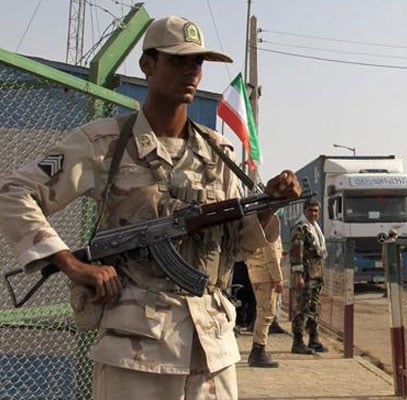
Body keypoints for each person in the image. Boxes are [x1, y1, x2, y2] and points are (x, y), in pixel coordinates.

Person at [0, 15, 301, 399]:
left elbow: (236, 247)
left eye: (198, 62)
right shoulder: (104, 143)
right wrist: (73, 265)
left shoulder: (217, 152)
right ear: (148, 65)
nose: (191, 71)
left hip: (211, 350)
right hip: (135, 352)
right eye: (178, 60)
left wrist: (269, 206)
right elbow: (14, 192)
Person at [289, 198, 328, 354]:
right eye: (311, 210)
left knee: (314, 307)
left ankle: (313, 338)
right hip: (305, 275)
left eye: (316, 210)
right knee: (302, 308)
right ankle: (297, 342)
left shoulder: (315, 228)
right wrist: (298, 275)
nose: (313, 213)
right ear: (304, 211)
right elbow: (296, 254)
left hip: (316, 276)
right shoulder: (300, 228)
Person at [245, 237, 284, 367]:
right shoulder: (270, 225)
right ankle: (258, 351)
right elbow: (271, 254)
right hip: (266, 274)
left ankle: (258, 350)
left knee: (263, 312)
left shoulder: (260, 224)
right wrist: (278, 278)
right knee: (266, 313)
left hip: (258, 271)